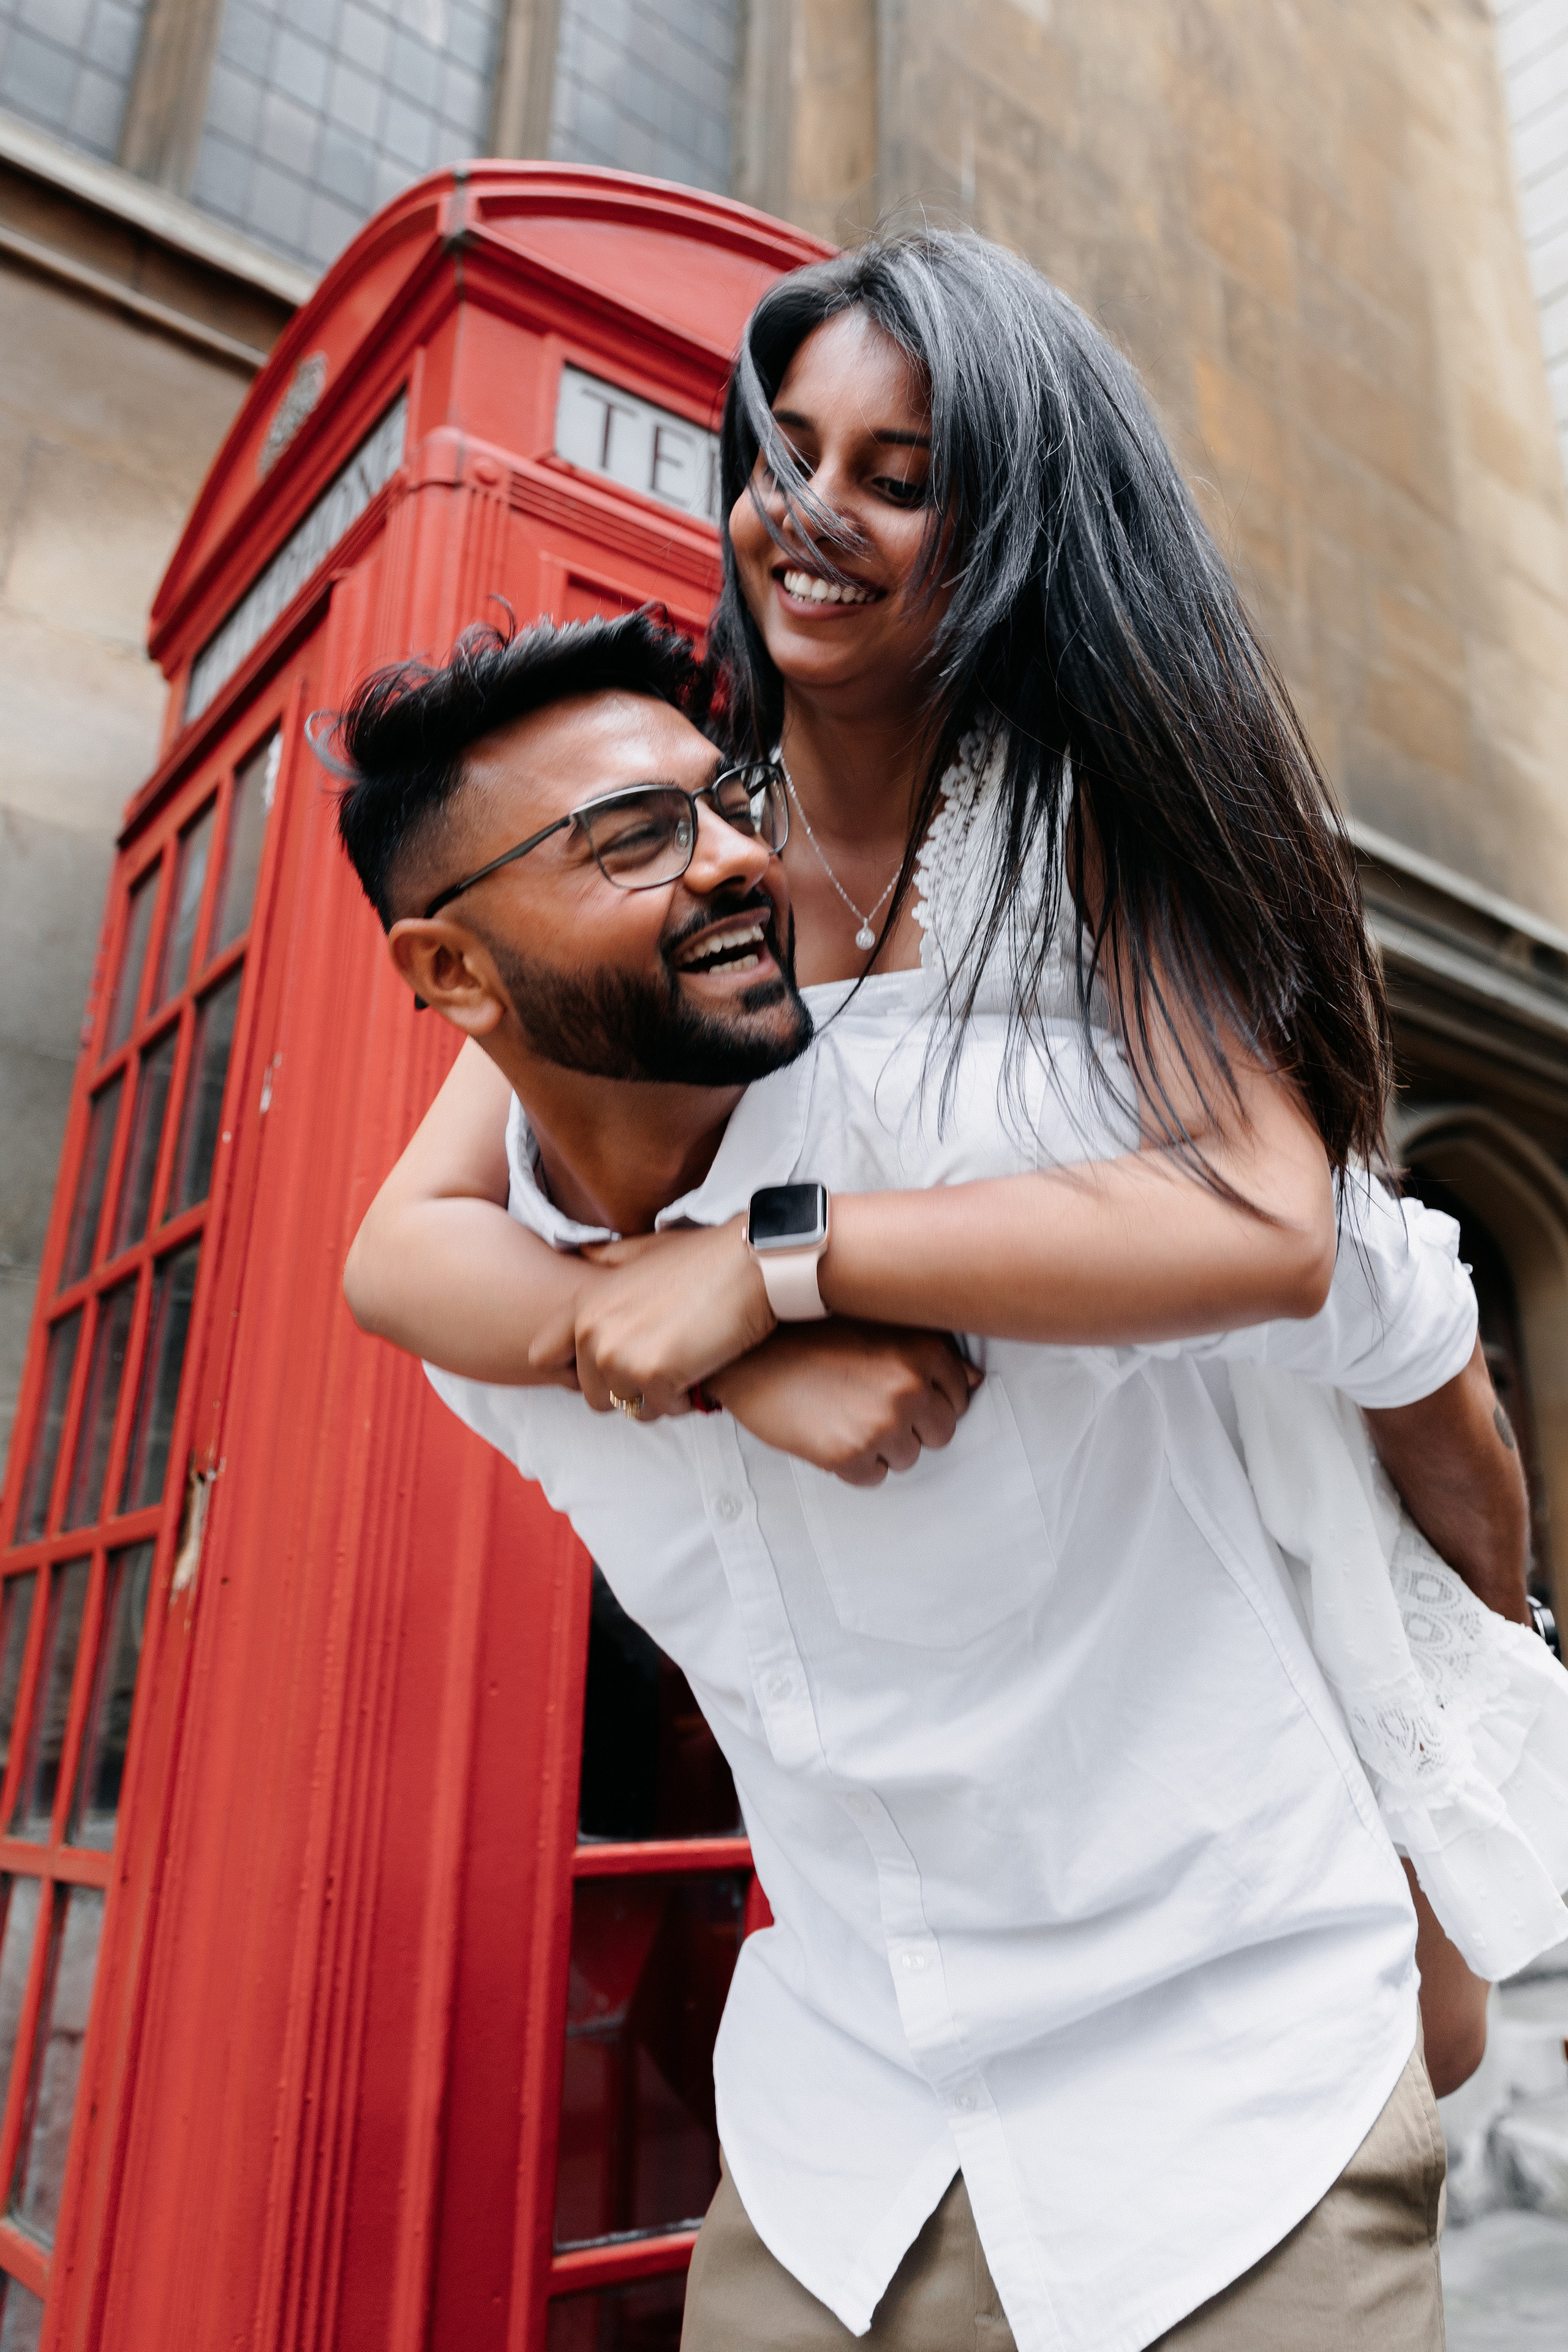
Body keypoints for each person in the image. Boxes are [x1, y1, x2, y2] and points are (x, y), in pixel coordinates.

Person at [328, 609, 1566, 2352]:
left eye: (726, 800)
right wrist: (737, 1351)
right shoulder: (501, 1309)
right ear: (454, 983)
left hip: (1241, 2127)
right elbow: (384, 1268)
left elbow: (1383, 1292)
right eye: (637, 839)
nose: (742, 857)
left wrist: (781, 1271)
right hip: (843, 2152)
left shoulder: (995, 1121)